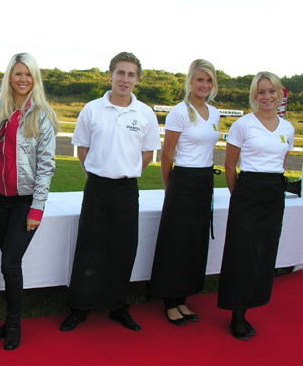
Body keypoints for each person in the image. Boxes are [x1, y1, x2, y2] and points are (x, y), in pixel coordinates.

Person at [61, 52, 161, 332]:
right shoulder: (92, 109)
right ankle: (80, 307)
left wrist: (123, 172)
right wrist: (100, 173)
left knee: (123, 248)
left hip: (127, 190)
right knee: (89, 248)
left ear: (137, 79)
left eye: (131, 74)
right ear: (110, 75)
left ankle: (118, 306)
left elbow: (147, 155)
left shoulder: (145, 113)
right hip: (97, 187)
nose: (125, 79)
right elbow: (82, 151)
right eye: (120, 73)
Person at [0, 53, 59, 350]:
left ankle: (14, 325)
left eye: (28, 74)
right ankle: (9, 320)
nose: (23, 79)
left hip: (26, 201)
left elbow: (46, 166)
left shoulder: (42, 114)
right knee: (9, 265)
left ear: (35, 79)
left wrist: (37, 208)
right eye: (17, 74)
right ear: (10, 77)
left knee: (9, 263)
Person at [218, 71, 294, 340]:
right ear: (254, 96)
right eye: (261, 92)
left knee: (263, 254)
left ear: (279, 95)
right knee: (242, 255)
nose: (267, 96)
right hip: (247, 193)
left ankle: (251, 306)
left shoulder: (288, 129)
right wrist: (240, 197)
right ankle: (236, 315)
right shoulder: (243, 125)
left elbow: (280, 163)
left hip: (274, 195)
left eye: (271, 91)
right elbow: (229, 166)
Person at [150, 59, 220, 326]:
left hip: (204, 181)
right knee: (176, 242)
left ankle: (183, 298)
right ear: (190, 81)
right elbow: (167, 156)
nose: (204, 84)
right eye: (200, 79)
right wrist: (172, 190)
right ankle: (169, 300)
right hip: (182, 182)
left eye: (209, 80)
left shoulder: (214, 114)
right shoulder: (179, 112)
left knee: (195, 242)